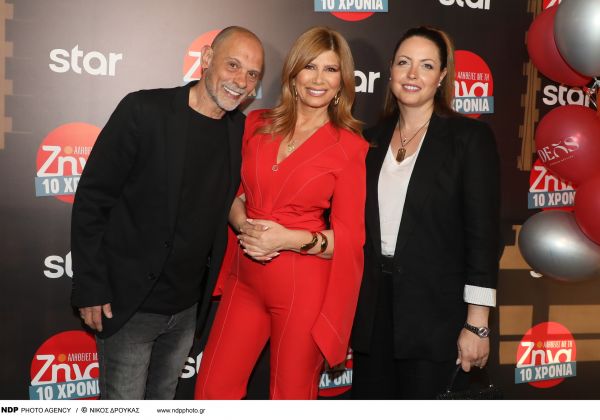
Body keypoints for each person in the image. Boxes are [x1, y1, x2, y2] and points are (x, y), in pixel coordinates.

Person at [70, 26, 264, 399]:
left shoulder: (239, 131)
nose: (241, 81)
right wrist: (90, 286)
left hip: (187, 311)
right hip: (129, 306)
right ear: (207, 58)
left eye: (253, 73)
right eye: (233, 65)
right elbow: (93, 199)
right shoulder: (144, 110)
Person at [194, 26, 368, 400]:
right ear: (293, 73)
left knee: (291, 397)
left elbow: (350, 240)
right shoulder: (256, 124)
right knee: (211, 392)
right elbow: (230, 194)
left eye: (330, 69)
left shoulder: (350, 148)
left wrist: (285, 239)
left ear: (342, 81)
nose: (318, 79)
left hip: (303, 290)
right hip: (244, 279)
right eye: (310, 66)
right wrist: (245, 226)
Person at [350, 26, 500, 399]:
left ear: (442, 76)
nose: (413, 74)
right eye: (404, 63)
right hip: (372, 315)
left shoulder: (468, 139)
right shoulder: (368, 139)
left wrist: (477, 323)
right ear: (390, 70)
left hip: (438, 317)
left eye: (427, 65)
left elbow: (483, 239)